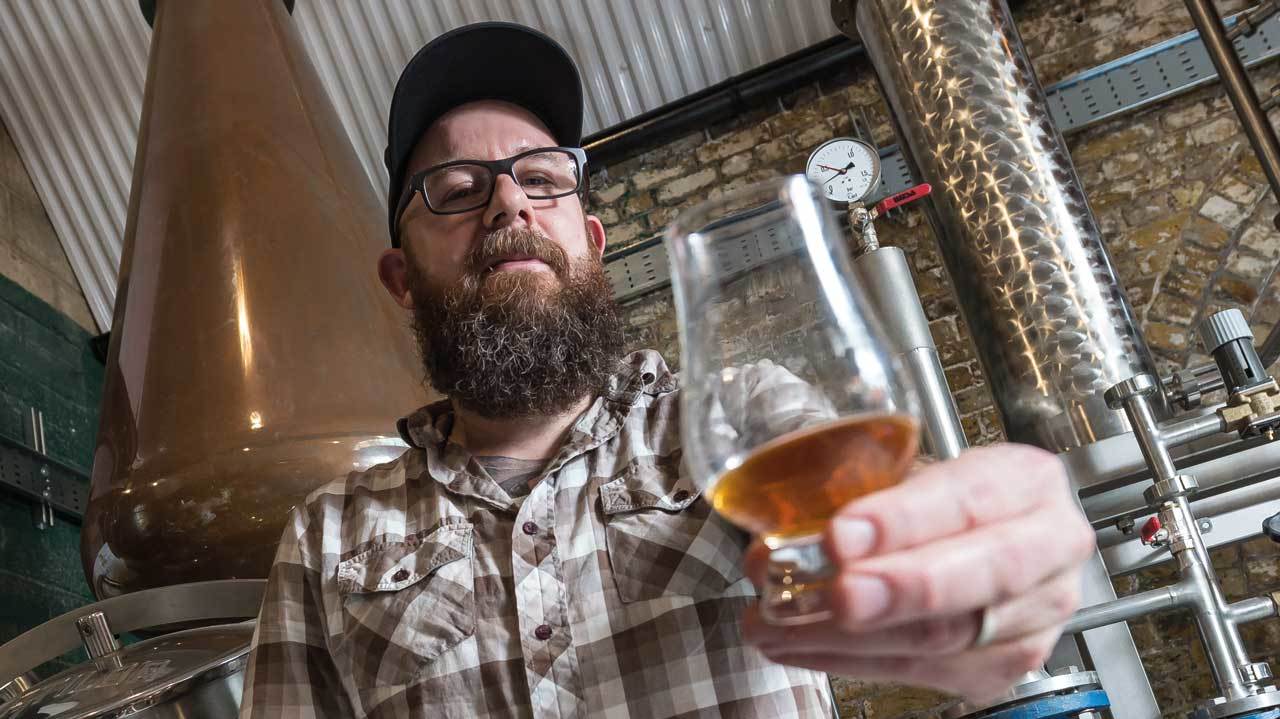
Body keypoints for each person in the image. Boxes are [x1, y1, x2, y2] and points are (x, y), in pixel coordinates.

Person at [239, 22, 1096, 718]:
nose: (510, 203)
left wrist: (963, 562)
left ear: (593, 246)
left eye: (543, 179)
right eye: (458, 190)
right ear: (401, 281)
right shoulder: (327, 540)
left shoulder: (736, 425)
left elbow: (877, 523)